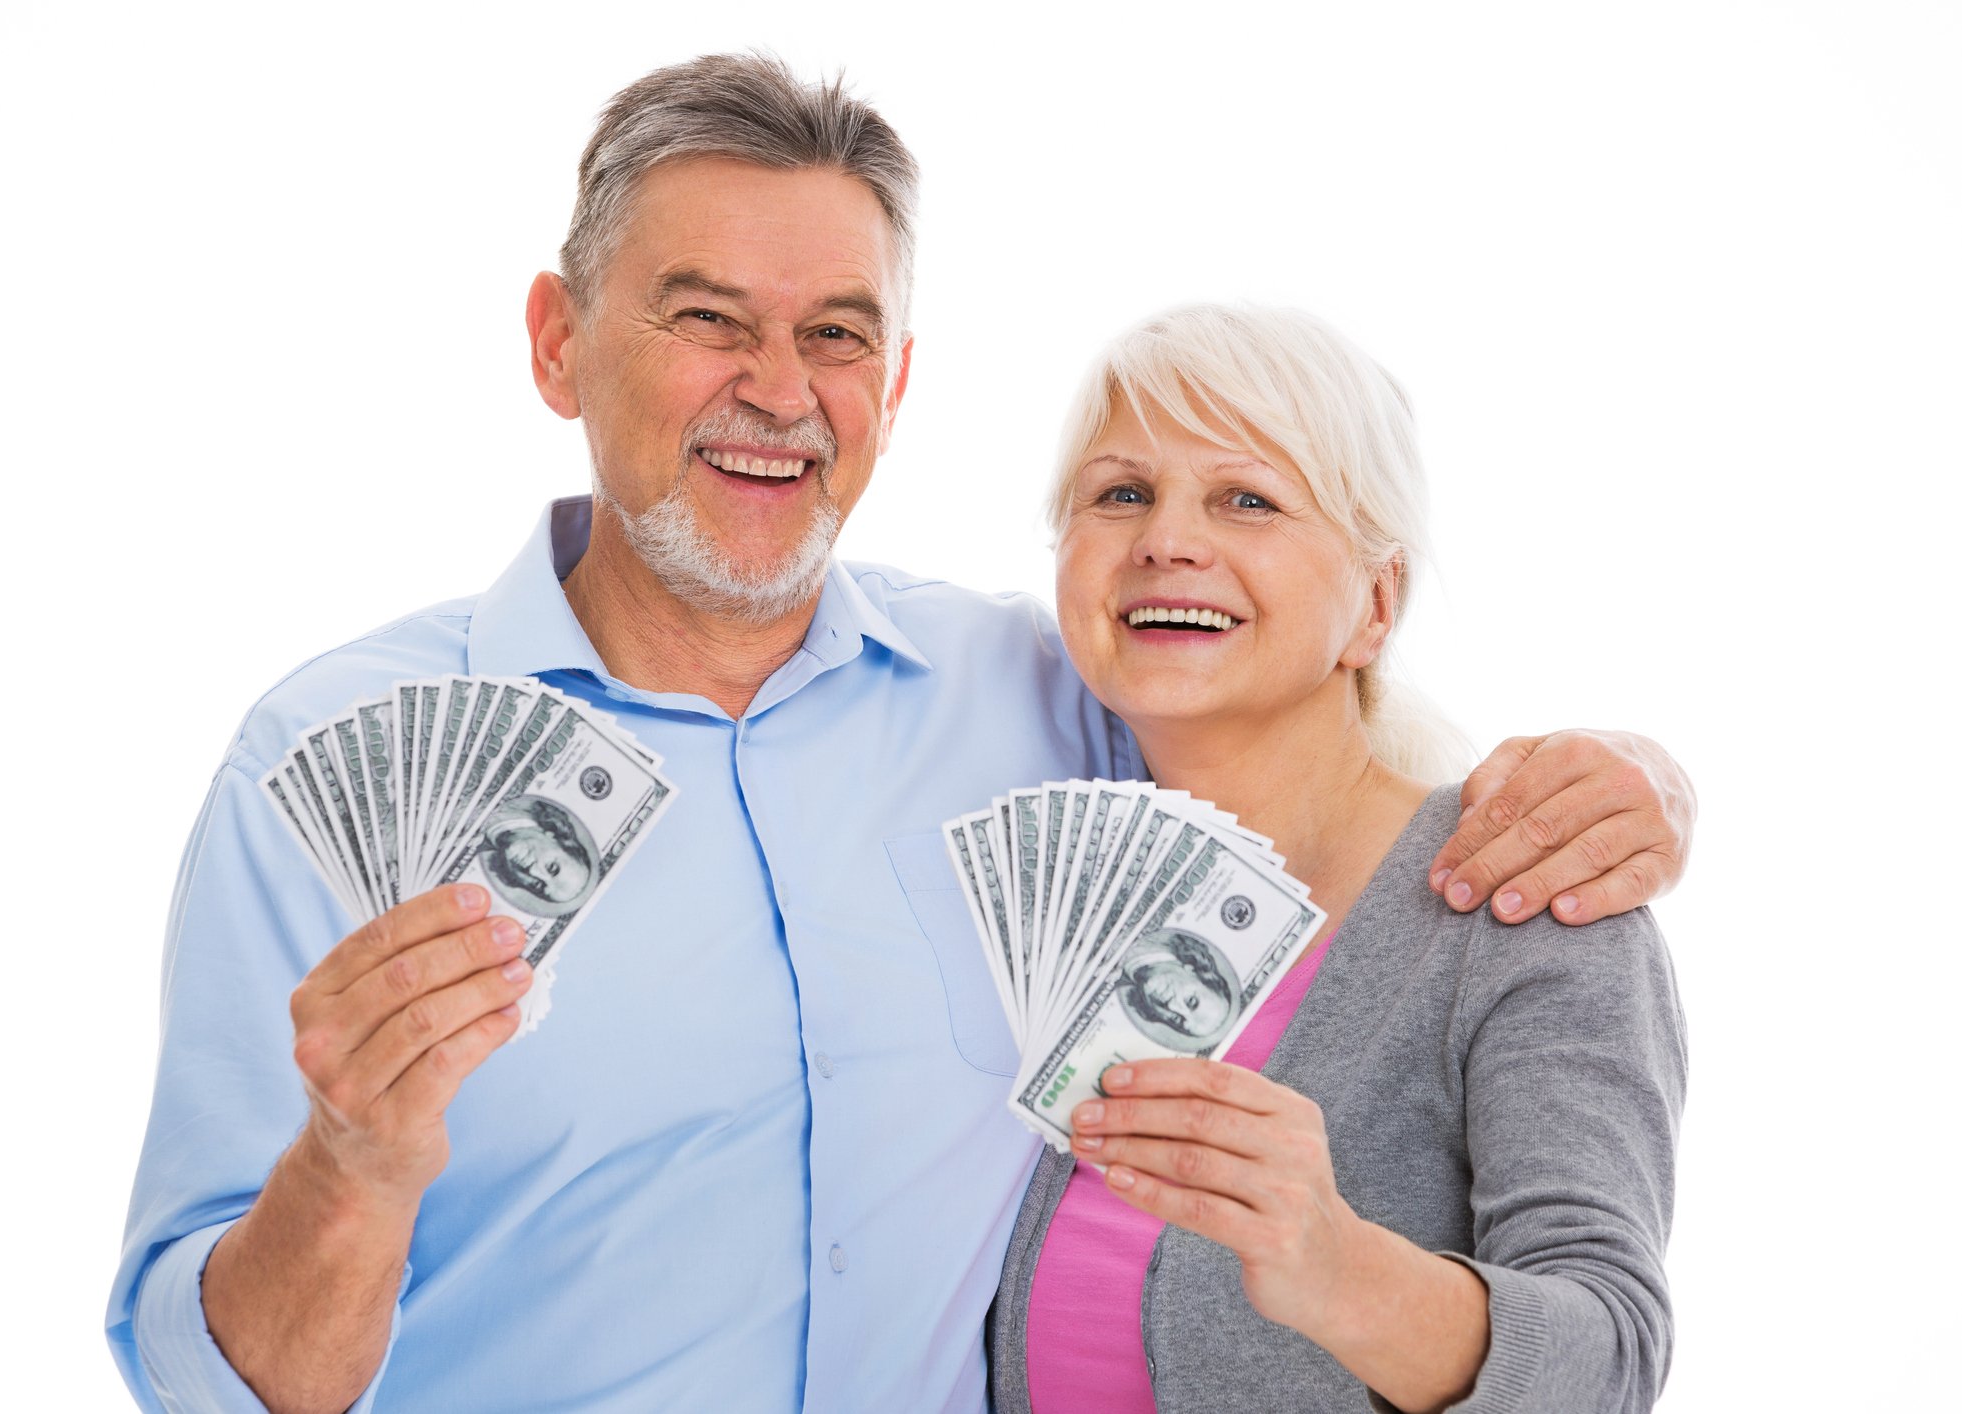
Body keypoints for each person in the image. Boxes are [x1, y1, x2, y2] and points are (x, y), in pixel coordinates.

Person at [107, 54, 1696, 1414]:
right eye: (706, 316)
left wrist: (1642, 772)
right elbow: (206, 1372)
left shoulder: (1036, 697)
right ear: (556, 341)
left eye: (839, 335)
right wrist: (354, 1168)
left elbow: (1290, 705)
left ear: (900, 380)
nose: (778, 391)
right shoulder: (323, 763)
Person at [989, 305, 1684, 1412]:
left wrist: (1338, 1269)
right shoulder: (1037, 881)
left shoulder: (1523, 899)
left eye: (1246, 499)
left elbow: (1610, 1358)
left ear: (1376, 603)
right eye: (1121, 492)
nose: (1166, 538)